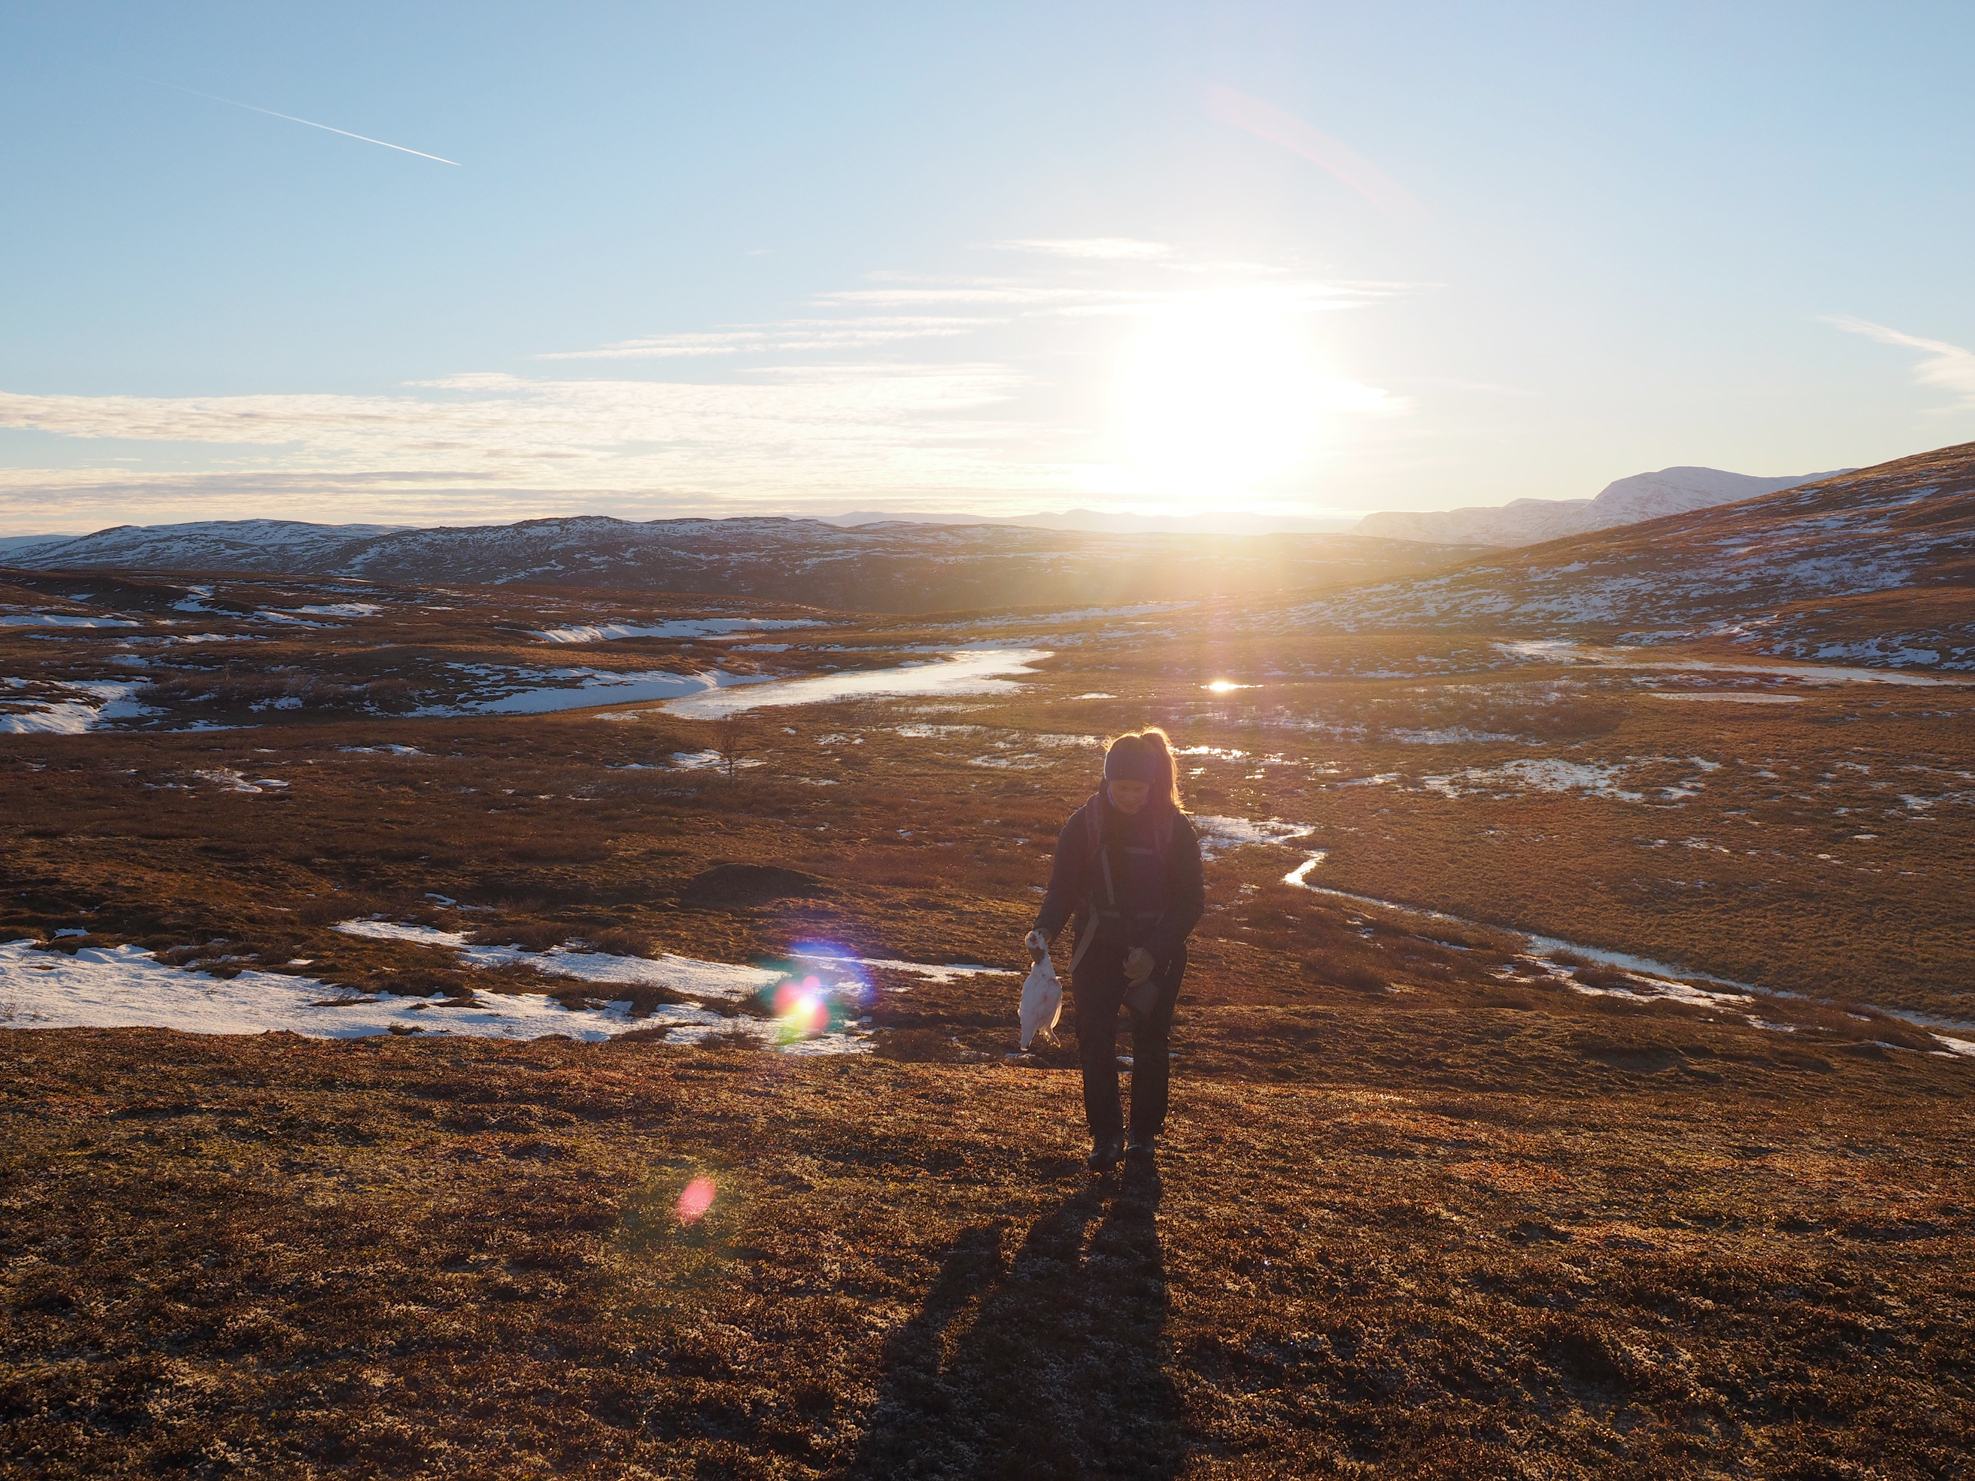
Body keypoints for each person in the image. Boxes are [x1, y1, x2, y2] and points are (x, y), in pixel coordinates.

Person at [1026, 728, 1204, 1172]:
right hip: (1097, 945)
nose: (1127, 796)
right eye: (1120, 787)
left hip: (1156, 949)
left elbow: (1190, 902)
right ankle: (1106, 1137)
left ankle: (1143, 1136)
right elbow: (1063, 888)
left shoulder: (1174, 827)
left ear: (1151, 783)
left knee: (1150, 1040)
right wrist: (1044, 929)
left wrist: (1154, 952)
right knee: (1094, 1036)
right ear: (1107, 781)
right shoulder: (1084, 823)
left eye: (1137, 789)